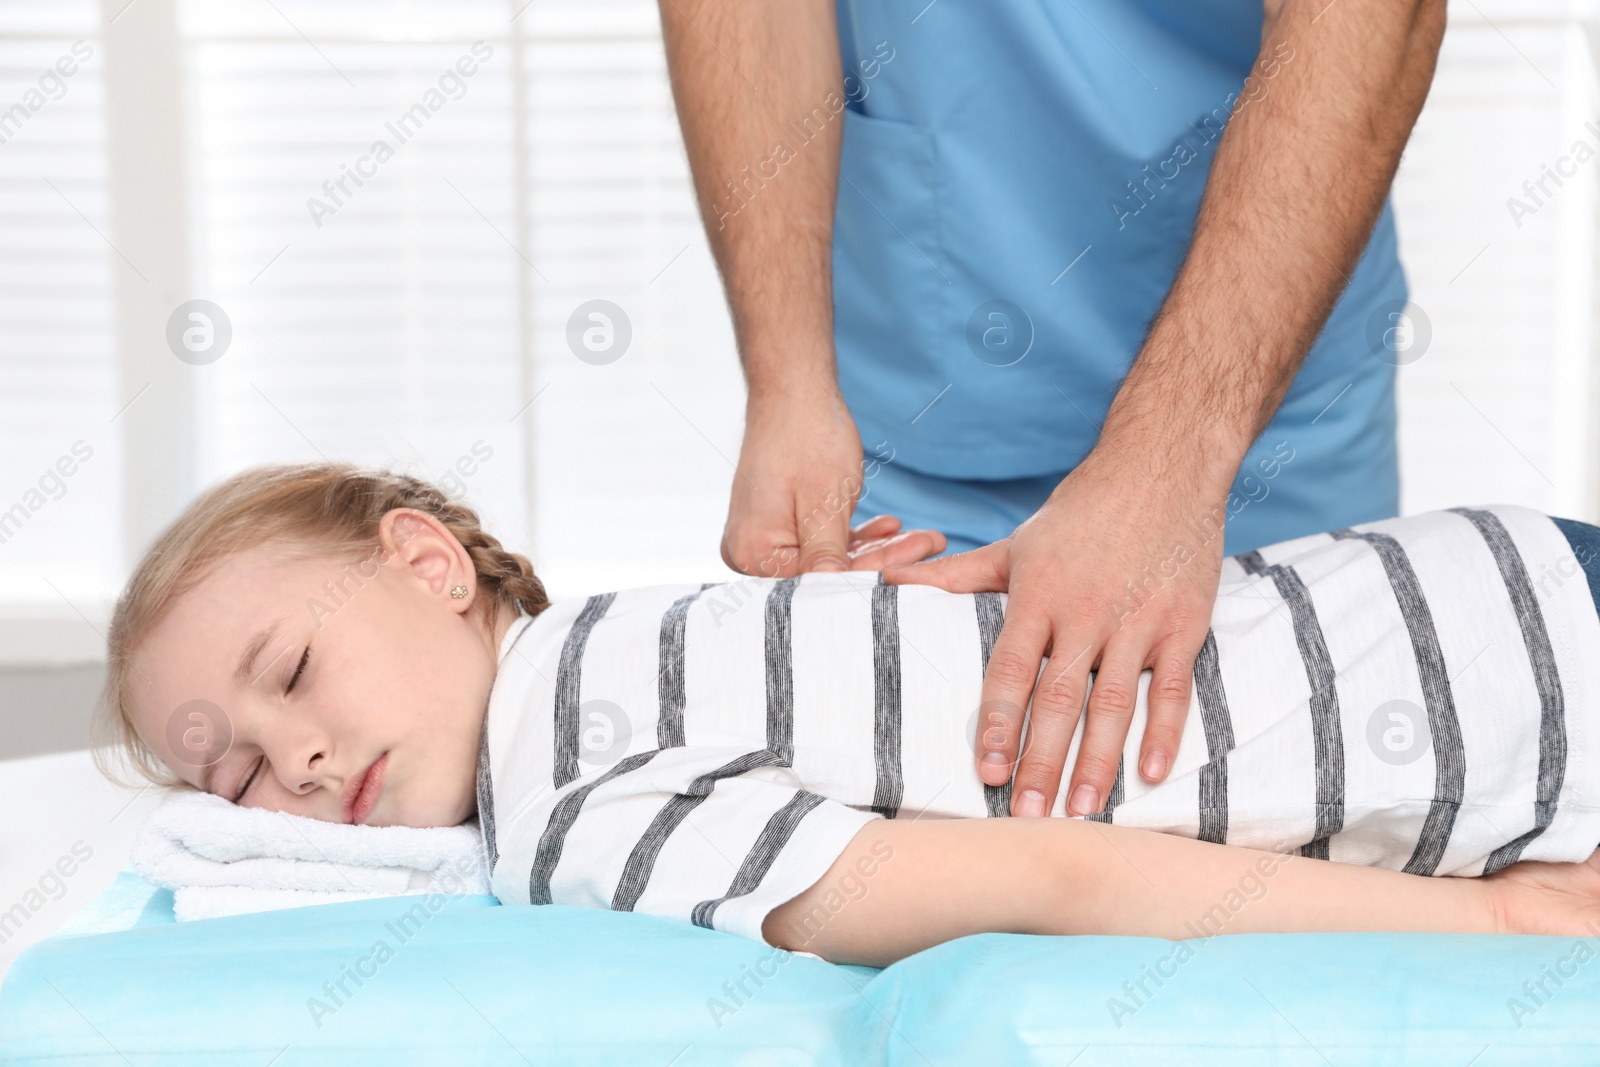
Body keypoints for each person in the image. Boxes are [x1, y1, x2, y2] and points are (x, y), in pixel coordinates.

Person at [96, 463, 1600, 968]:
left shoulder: (565, 811)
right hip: (1475, 587)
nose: (284, 758)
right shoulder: (612, 661)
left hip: (1517, 717)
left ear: (428, 562)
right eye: (230, 776)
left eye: (289, 671)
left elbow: (1045, 876)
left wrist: (1493, 932)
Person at [657, 0, 1449, 824]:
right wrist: (789, 379)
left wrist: (1170, 461)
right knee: (930, 830)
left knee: (1291, 811)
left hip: (1257, 385)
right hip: (918, 399)